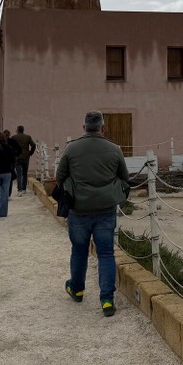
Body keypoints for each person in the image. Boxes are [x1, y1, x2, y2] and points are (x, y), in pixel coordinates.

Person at [55, 110, 129, 317]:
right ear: (103, 128)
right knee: (106, 253)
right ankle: (106, 300)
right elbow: (124, 177)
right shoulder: (115, 149)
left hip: (79, 210)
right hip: (105, 210)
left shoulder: (71, 149)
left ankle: (77, 289)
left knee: (79, 251)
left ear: (84, 128)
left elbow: (59, 177)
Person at [11, 125, 37, 196]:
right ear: (23, 130)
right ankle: (24, 189)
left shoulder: (13, 137)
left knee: (19, 174)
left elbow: (10, 146)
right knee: (25, 173)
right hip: (26, 157)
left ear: (17, 130)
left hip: (17, 157)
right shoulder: (28, 137)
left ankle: (19, 190)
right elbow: (34, 145)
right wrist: (30, 153)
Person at [3, 129, 22, 197]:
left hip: (6, 162)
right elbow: (20, 149)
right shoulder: (13, 141)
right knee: (13, 176)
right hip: (13, 160)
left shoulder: (2, 143)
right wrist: (16, 155)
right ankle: (12, 193)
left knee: (6, 177)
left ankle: (6, 193)